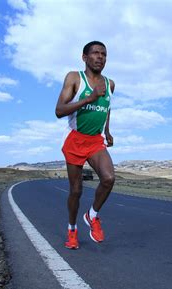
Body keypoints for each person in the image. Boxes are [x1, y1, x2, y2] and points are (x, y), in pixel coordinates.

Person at [55, 41, 115, 250]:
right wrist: (89, 97)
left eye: (104, 54)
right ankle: (72, 229)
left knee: (108, 178)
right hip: (75, 139)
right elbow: (59, 110)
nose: (100, 57)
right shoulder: (74, 78)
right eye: (96, 53)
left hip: (95, 140)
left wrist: (106, 130)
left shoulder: (110, 84)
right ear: (84, 57)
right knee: (76, 190)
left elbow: (107, 107)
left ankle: (92, 216)